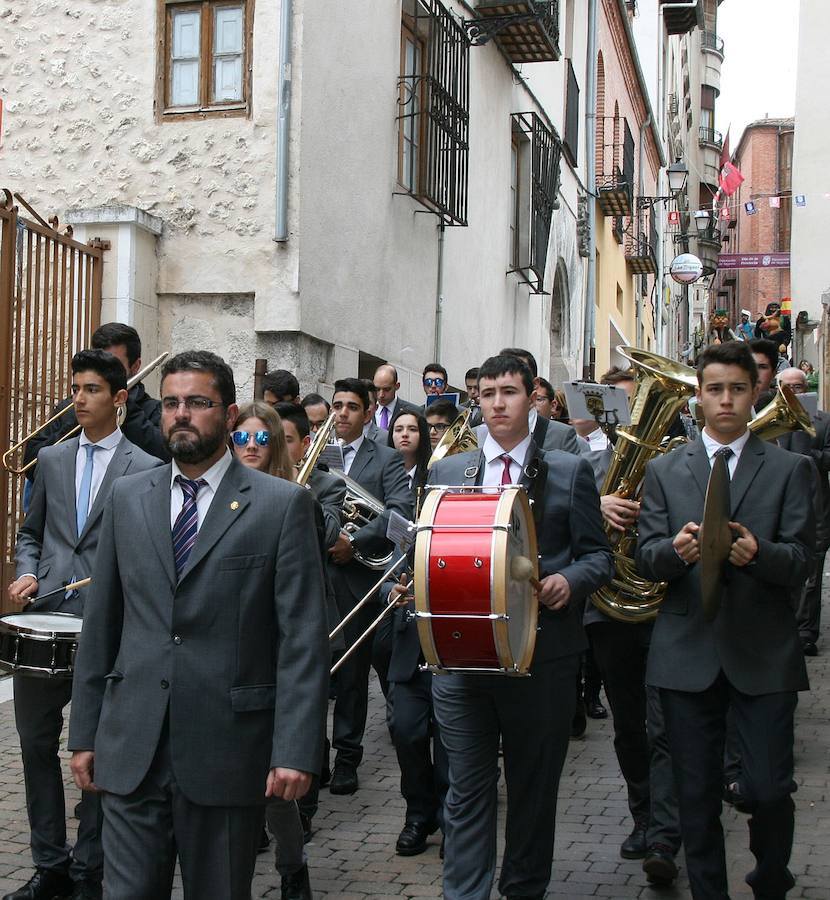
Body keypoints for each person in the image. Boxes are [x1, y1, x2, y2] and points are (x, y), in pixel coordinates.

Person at [67, 350, 330, 900]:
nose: (181, 414)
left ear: (230, 416)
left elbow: (302, 641)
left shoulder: (282, 507)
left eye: (198, 403)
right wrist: (85, 733)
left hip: (227, 753)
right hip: (132, 748)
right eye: (171, 403)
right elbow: (102, 626)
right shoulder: (127, 498)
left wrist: (295, 748)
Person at [429, 354, 613, 900]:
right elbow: (431, 552)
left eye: (508, 392)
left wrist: (568, 582)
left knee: (533, 790)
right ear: (477, 401)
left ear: (531, 397)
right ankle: (463, 893)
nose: (497, 404)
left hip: (542, 655)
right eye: (487, 394)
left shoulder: (567, 469)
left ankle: (523, 890)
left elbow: (598, 558)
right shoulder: (447, 471)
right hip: (464, 659)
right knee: (465, 790)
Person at [636, 341, 814, 900]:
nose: (726, 400)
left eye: (738, 389)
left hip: (763, 652)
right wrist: (676, 552)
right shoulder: (665, 470)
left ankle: (770, 876)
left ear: (755, 393)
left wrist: (759, 554)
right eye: (714, 390)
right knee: (694, 793)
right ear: (698, 398)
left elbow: (804, 560)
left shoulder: (791, 468)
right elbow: (647, 555)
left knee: (767, 787)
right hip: (687, 652)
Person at [5, 350, 161, 900]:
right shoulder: (51, 457)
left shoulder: (146, 469)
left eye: (91, 389)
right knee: (34, 744)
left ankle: (90, 865)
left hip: (108, 631)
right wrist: (27, 572)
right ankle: (49, 863)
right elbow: (32, 533)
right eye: (75, 387)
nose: (78, 398)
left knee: (97, 748)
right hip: (45, 621)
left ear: (119, 399)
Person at [582, 366, 682, 886]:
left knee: (665, 720)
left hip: (664, 605)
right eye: (623, 405)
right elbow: (557, 524)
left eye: (640, 403)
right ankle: (643, 813)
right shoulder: (581, 461)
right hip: (609, 609)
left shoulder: (677, 461)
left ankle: (666, 830)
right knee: (628, 723)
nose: (633, 415)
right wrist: (595, 506)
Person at [230, 401, 326, 900]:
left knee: (273, 789)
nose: (250, 446)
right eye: (242, 438)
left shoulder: (294, 499)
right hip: (230, 657)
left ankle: (293, 868)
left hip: (271, 660)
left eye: (262, 439)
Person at [326, 378, 413, 795]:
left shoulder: (387, 459)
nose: (341, 413)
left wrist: (353, 541)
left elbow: (399, 513)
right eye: (337, 405)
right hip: (316, 571)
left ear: (366, 413)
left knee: (351, 672)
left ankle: (346, 756)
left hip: (358, 574)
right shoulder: (317, 452)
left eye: (350, 407)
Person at [273, 402, 347, 843]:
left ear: (304, 445)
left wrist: (295, 494)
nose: (269, 448)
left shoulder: (326, 486)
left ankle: (304, 809)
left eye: (280, 440)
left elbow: (324, 534)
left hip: (305, 618)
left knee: (305, 714)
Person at [22, 322, 169, 472]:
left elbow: (166, 463)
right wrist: (77, 421)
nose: (101, 373)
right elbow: (33, 467)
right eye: (97, 362)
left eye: (113, 365)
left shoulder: (153, 410)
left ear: (136, 366)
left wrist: (129, 412)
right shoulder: (71, 406)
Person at [777, 368, 830, 657]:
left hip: (816, 505)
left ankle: (807, 633)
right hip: (782, 506)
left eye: (799, 387)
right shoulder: (771, 418)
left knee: (813, 576)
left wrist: (809, 457)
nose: (795, 392)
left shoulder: (824, 420)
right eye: (789, 387)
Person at [388, 409, 431, 498]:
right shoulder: (380, 474)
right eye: (398, 430)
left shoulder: (433, 475)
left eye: (412, 429)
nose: (405, 434)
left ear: (422, 434)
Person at [373, 364, 420, 431]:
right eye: (377, 389)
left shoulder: (415, 412)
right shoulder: (366, 411)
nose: (381, 395)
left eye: (387, 389)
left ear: (397, 386)